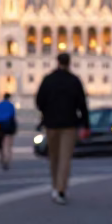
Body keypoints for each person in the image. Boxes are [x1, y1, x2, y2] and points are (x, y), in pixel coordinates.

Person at [35, 52, 90, 205]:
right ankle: (61, 189)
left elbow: (39, 101)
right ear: (69, 63)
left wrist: (47, 112)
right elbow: (82, 104)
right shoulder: (74, 81)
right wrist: (86, 124)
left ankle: (55, 186)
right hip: (69, 124)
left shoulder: (48, 80)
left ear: (57, 62)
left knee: (54, 157)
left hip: (51, 124)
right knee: (65, 158)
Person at [0, 92, 18, 171]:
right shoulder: (10, 106)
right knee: (8, 144)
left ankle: (2, 158)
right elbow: (12, 117)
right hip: (8, 127)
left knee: (1, 143)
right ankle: (7, 160)